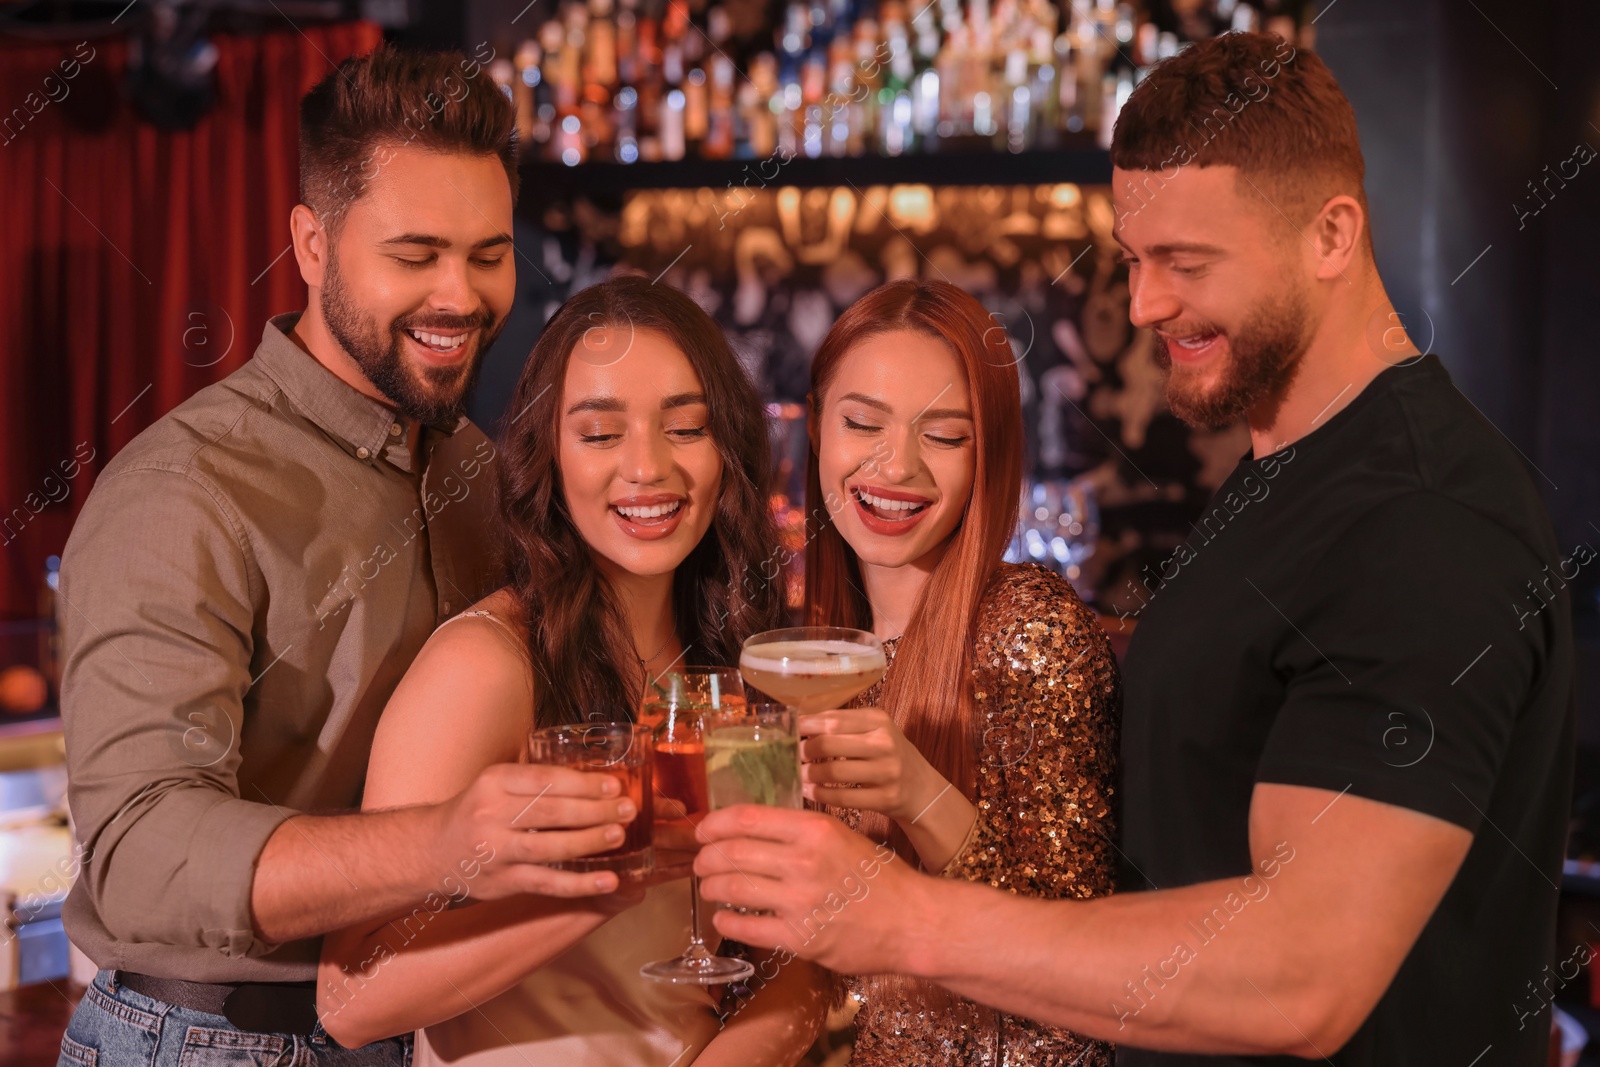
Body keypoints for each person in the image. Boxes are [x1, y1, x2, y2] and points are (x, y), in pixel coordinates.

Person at [694, 31, 1575, 1066]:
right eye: (1133, 259)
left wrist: (898, 917)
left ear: (1332, 234)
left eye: (1185, 263)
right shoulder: (1287, 477)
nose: (1144, 303)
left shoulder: (1421, 517)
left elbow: (1303, 971)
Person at [56, 47, 632, 1067]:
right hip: (203, 1039)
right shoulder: (183, 489)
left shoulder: (475, 465)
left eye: (487, 253)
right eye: (415, 254)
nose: (460, 294)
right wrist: (450, 837)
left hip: (409, 1028)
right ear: (312, 246)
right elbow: (141, 850)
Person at [316, 274, 829, 1066]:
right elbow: (352, 998)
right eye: (599, 434)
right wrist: (615, 877)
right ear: (547, 454)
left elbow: (783, 965)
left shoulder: (731, 670)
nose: (648, 467)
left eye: (686, 428)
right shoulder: (487, 665)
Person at [770, 279, 1120, 1064]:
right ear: (816, 429)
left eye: (946, 436)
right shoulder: (802, 650)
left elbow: (1076, 971)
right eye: (862, 422)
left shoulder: (1029, 626)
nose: (897, 466)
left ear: (988, 452)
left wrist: (920, 793)